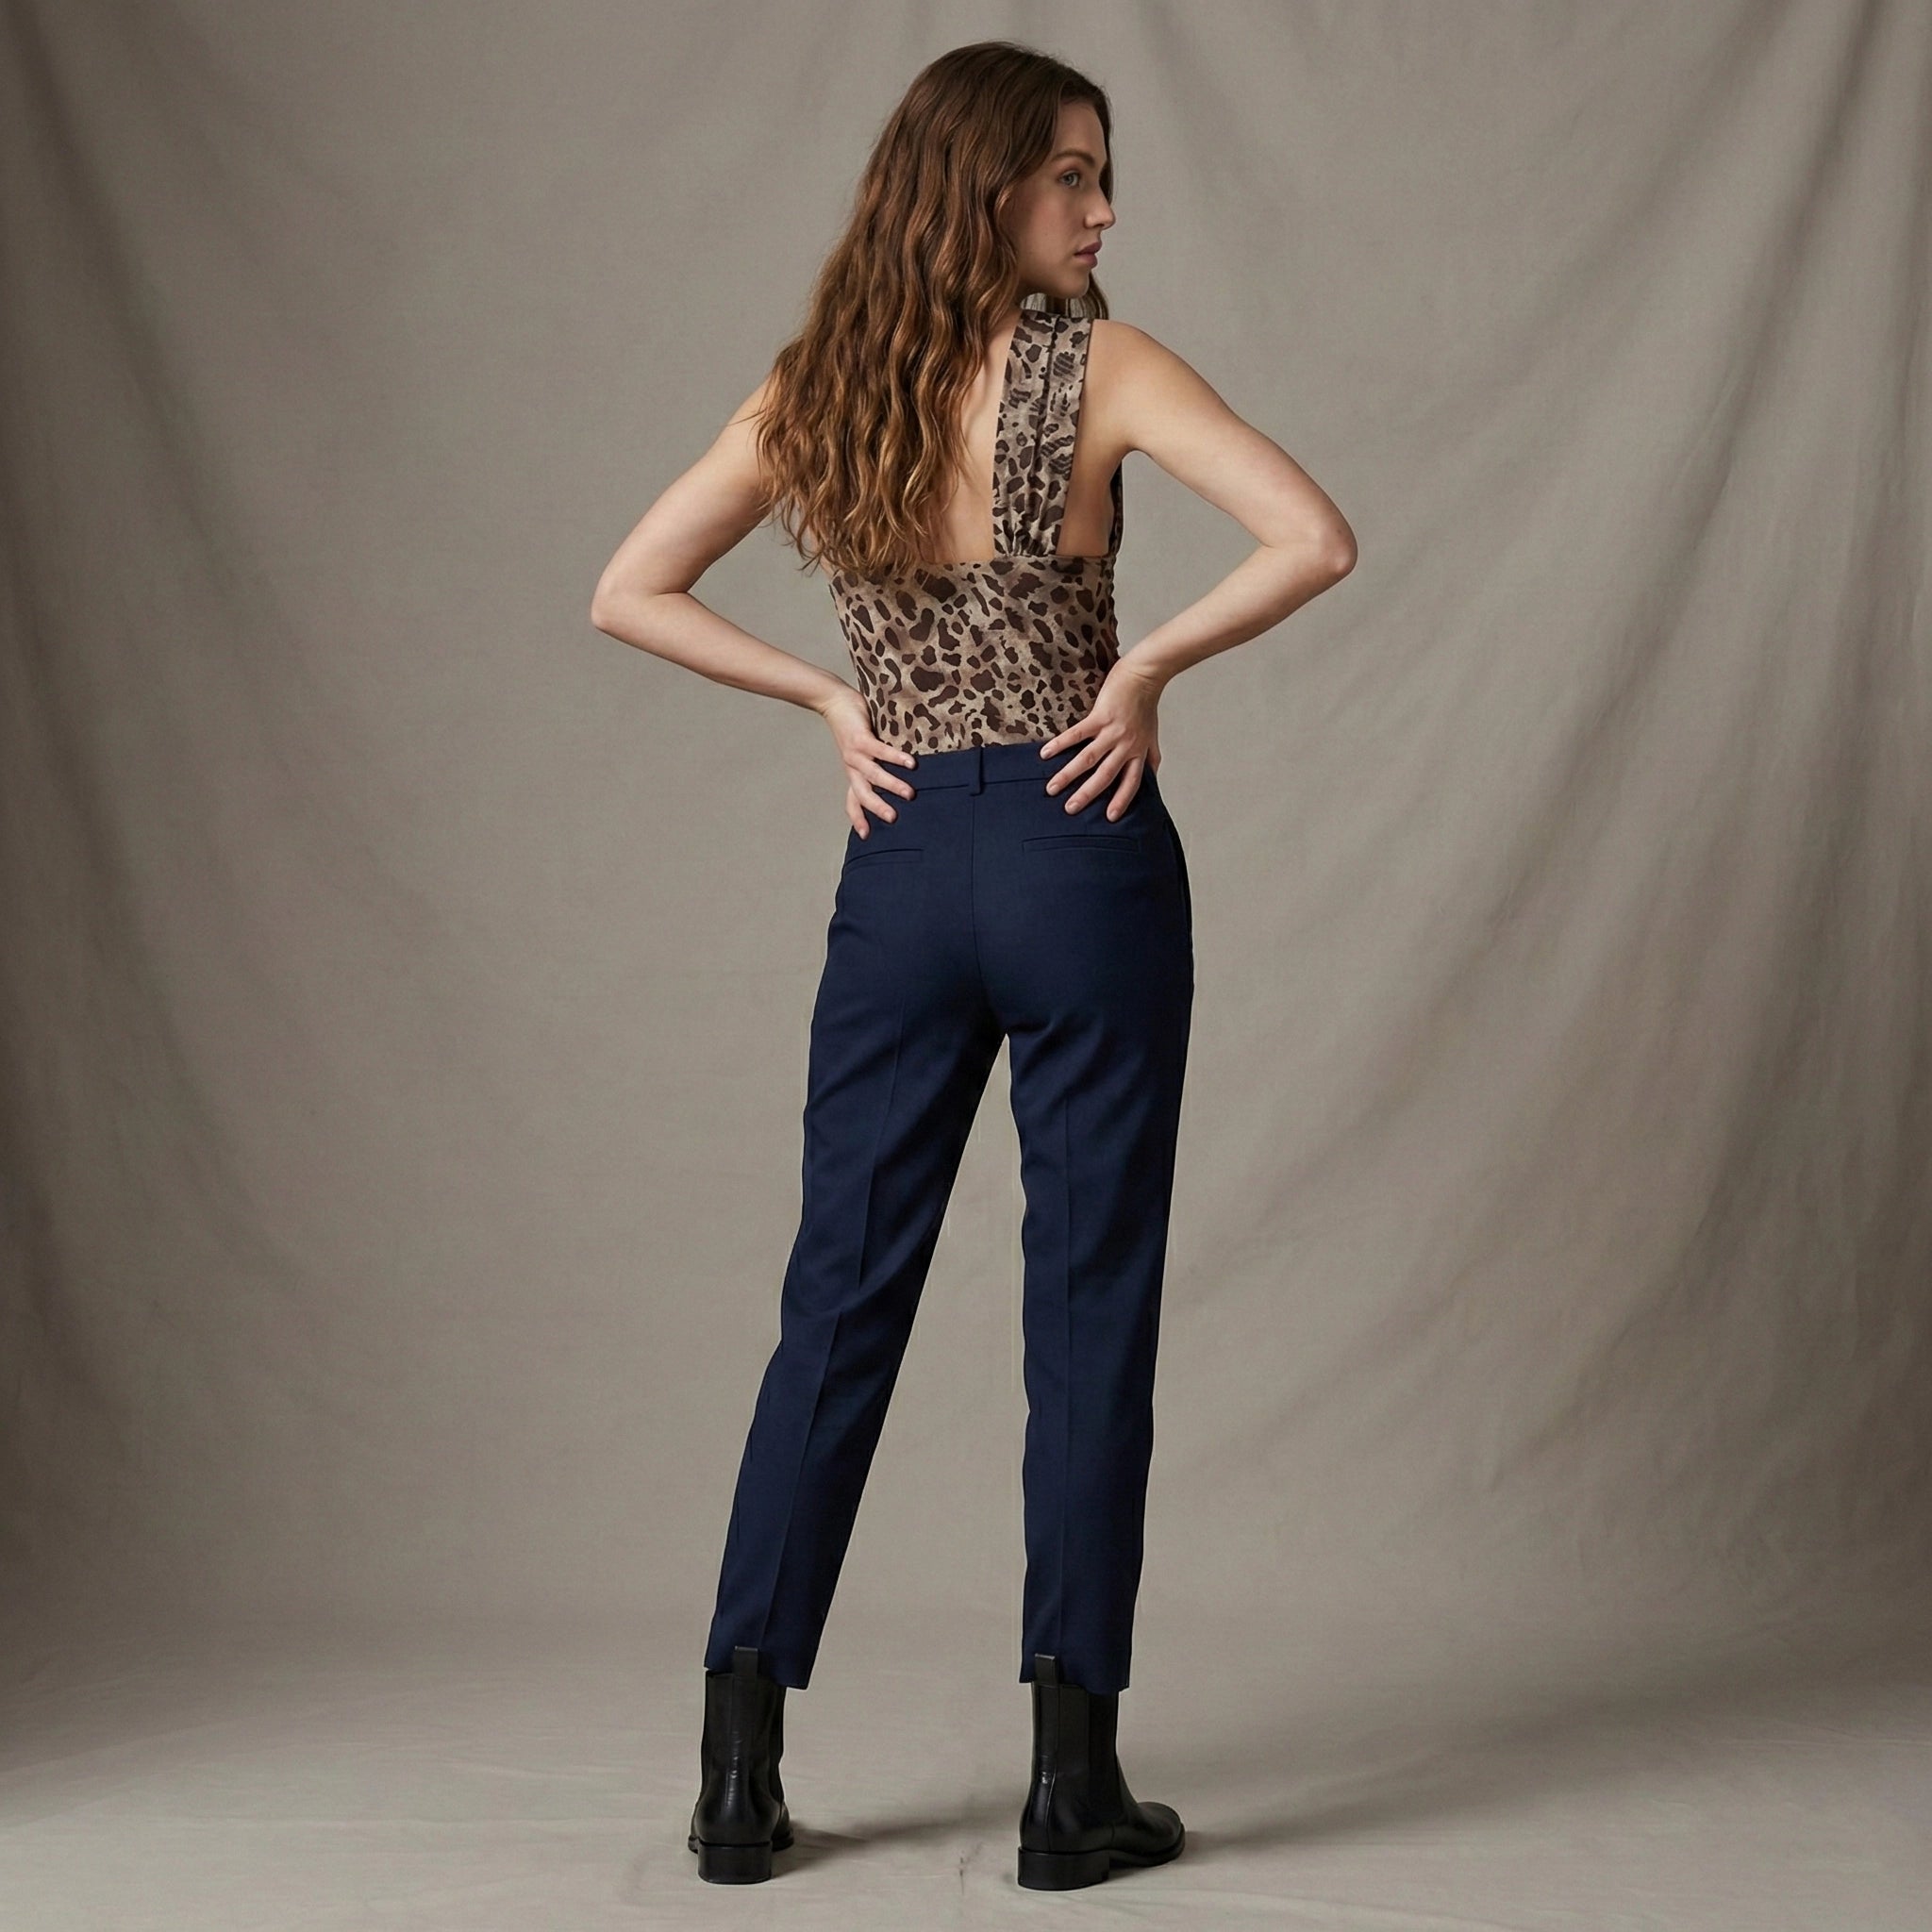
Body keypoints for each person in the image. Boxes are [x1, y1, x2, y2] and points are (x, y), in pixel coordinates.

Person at [590, 40, 1355, 1890]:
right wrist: (1142, 670)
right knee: (1085, 1305)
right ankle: (1066, 1785)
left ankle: (735, 1769)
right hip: (1080, 854)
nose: (1104, 210)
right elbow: (1316, 536)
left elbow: (627, 585)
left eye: (1103, 178)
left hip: (899, 861)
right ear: (988, 187)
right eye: (1075, 177)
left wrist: (824, 700)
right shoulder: (1099, 364)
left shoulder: (820, 387)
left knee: (836, 1295)